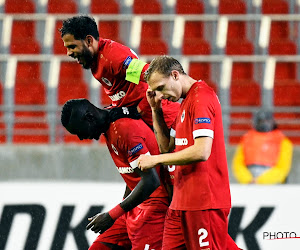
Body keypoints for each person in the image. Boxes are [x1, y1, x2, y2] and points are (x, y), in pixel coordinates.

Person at [137, 56, 240, 250]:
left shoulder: (201, 97)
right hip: (180, 203)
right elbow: (167, 148)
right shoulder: (185, 103)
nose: (160, 95)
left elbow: (202, 151)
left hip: (204, 201)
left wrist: (155, 160)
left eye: (160, 88)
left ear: (175, 75)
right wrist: (156, 110)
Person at [61, 98, 170, 250]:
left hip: (155, 208)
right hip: (135, 207)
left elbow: (151, 181)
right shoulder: (109, 125)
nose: (81, 138)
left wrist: (112, 215)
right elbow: (134, 174)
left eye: (80, 131)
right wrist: (123, 206)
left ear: (89, 117)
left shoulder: (124, 129)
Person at [59, 15, 179, 128]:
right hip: (149, 125)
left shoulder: (112, 58)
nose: (68, 53)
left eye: (72, 47)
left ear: (89, 41)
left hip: (169, 123)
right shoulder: (97, 60)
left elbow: (154, 77)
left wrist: (136, 110)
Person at [232, 109, 293, 184]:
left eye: (266, 121)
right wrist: (248, 180)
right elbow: (238, 165)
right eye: (260, 121)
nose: (264, 124)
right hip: (249, 184)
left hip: (274, 185)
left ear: (272, 122)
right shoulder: (246, 139)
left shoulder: (283, 140)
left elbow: (283, 168)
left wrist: (261, 181)